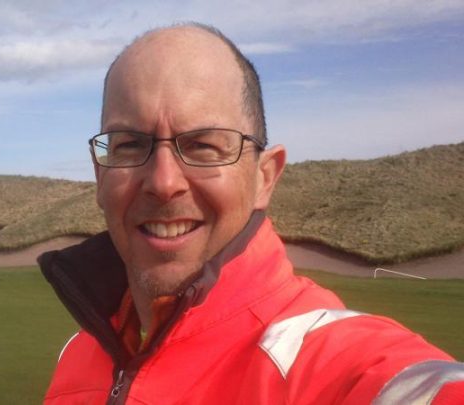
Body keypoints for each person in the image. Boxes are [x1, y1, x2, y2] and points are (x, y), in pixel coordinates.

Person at [38, 23, 464, 404]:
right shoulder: (80, 353)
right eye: (130, 144)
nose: (164, 182)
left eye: (203, 145)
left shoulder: (329, 361)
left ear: (265, 178)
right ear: (100, 174)